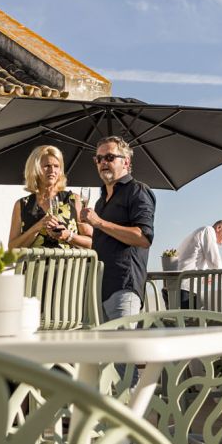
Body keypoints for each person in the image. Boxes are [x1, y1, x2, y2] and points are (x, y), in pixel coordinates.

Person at [81, 136, 155, 321]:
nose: (103, 162)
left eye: (110, 157)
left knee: (123, 349)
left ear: (126, 161)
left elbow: (143, 237)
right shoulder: (101, 200)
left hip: (123, 287)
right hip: (99, 287)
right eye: (99, 159)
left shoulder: (138, 191)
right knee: (102, 350)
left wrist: (99, 223)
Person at [8, 145, 92, 250]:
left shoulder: (73, 200)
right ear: (35, 169)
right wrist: (37, 227)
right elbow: (12, 249)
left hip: (68, 265)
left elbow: (91, 242)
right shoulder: (22, 204)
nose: (52, 170)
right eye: (47, 166)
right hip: (35, 266)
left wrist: (68, 236)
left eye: (56, 166)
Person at [173, 220, 222, 307]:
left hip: (175, 287)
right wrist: (216, 276)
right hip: (185, 288)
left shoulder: (199, 233)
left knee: (180, 320)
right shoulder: (208, 231)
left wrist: (209, 275)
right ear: (219, 228)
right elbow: (216, 264)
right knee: (189, 320)